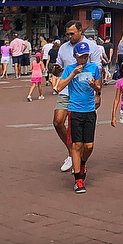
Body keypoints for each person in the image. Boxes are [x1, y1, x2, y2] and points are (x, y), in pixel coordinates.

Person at [51, 40, 102, 194]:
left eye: (86, 56)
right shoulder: (69, 69)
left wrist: (95, 87)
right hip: (75, 110)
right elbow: (59, 87)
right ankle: (78, 179)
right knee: (76, 145)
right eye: (81, 56)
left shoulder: (94, 68)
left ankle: (82, 163)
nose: (84, 59)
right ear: (75, 56)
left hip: (90, 110)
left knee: (89, 146)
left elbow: (99, 86)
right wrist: (73, 73)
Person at [52, 21, 90, 173]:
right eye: (67, 34)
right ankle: (71, 152)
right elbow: (57, 70)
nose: (69, 36)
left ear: (80, 31)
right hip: (66, 90)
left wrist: (97, 93)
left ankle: (79, 157)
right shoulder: (63, 48)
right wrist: (56, 70)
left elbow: (97, 69)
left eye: (72, 34)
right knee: (57, 121)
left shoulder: (91, 46)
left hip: (83, 92)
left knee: (80, 127)